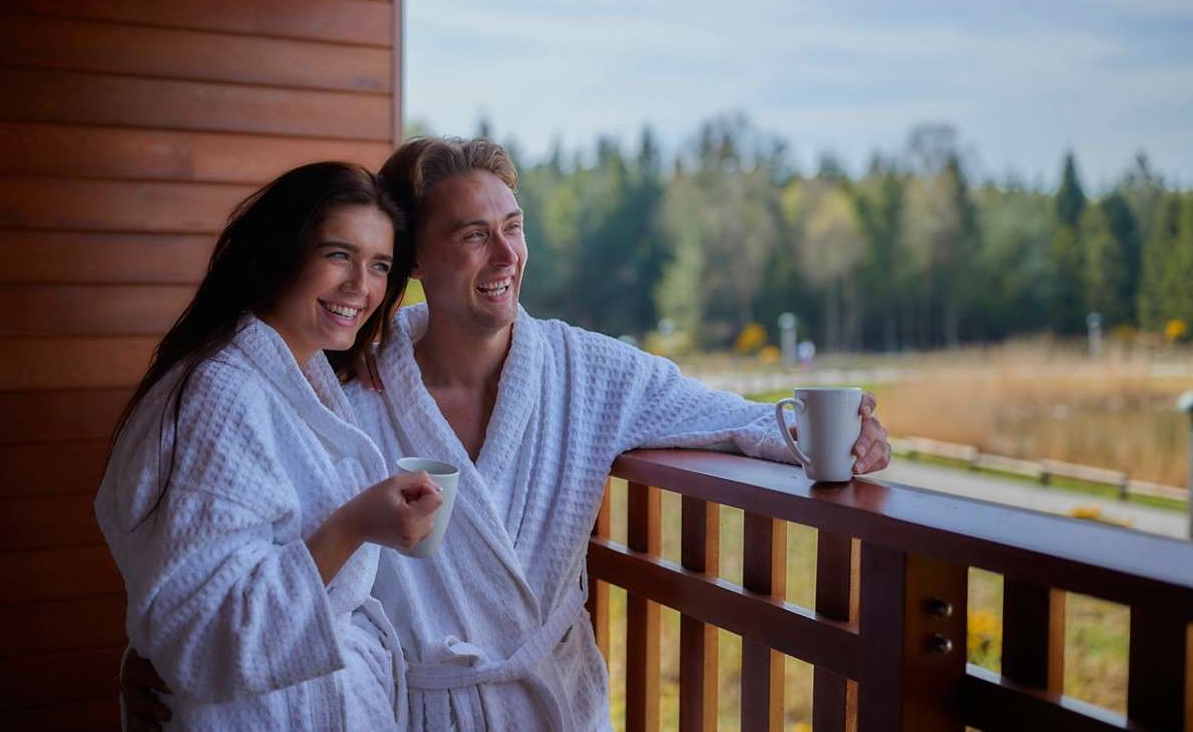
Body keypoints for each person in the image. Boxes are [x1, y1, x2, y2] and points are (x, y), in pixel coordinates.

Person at [123, 139, 892, 730]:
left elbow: (732, 417)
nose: (505, 256)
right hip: (411, 710)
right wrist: (170, 658)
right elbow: (223, 542)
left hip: (550, 704)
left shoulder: (585, 372)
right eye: (473, 235)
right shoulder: (342, 384)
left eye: (513, 228)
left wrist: (837, 434)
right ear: (415, 261)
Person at [97, 162, 444, 730]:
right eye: (338, 254)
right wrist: (354, 525)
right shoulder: (221, 393)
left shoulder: (302, 377)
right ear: (281, 253)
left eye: (380, 265)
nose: (361, 286)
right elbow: (203, 629)